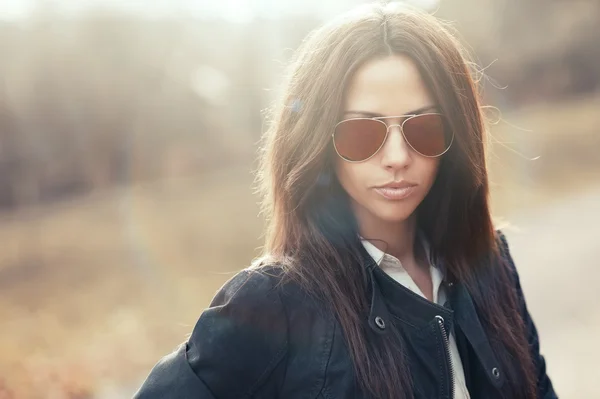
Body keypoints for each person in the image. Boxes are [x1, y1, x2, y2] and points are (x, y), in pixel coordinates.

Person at [133, 2, 557, 398]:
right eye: (362, 133)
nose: (397, 158)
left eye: (423, 128)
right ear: (319, 142)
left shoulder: (490, 260)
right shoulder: (270, 302)